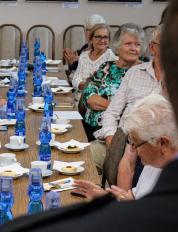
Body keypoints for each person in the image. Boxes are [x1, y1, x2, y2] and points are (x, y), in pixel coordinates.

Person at [0, 2, 178, 232]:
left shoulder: (158, 151)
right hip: (119, 136)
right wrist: (114, 150)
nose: (135, 48)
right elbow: (95, 98)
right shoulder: (122, 71)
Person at [73, 94, 175, 201]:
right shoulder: (154, 162)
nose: (133, 150)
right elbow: (134, 198)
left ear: (163, 143)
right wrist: (104, 196)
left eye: (135, 144)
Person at [91, 25, 163, 175]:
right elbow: (111, 112)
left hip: (157, 149)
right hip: (122, 139)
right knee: (82, 159)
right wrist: (112, 140)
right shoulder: (134, 73)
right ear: (153, 48)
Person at [81, 23, 144, 141]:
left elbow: (137, 111)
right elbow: (89, 98)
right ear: (117, 46)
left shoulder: (143, 72)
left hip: (120, 134)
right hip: (89, 128)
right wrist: (117, 108)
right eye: (128, 44)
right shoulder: (106, 67)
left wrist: (104, 105)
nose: (133, 48)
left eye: (137, 44)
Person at [72, 24, 118, 90]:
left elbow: (112, 87)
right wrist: (85, 85)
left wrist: (91, 84)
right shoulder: (84, 56)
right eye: (98, 37)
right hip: (80, 96)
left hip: (99, 99)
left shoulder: (113, 59)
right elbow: (75, 80)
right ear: (91, 39)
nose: (102, 40)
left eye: (105, 37)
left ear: (109, 40)